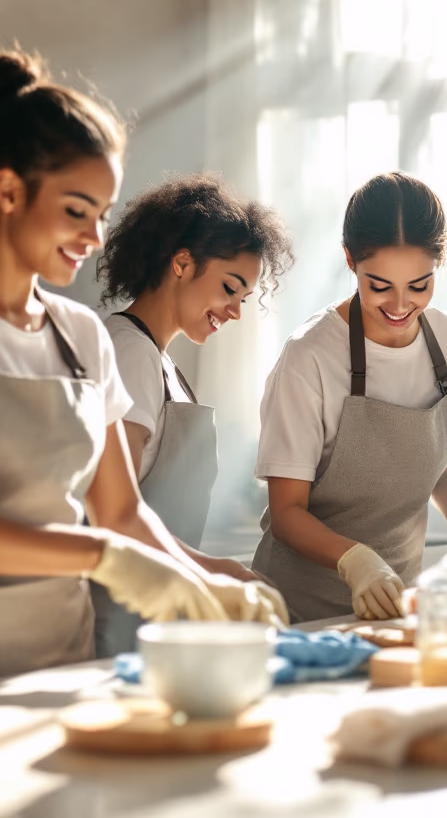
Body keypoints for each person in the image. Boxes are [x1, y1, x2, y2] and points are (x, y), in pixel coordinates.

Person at [0, 44, 277, 686]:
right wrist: (103, 555)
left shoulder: (82, 336)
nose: (95, 237)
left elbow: (122, 514)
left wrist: (210, 581)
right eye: (78, 210)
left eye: (102, 215)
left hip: (59, 666)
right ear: (8, 191)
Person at [253, 171, 447, 623]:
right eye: (379, 286)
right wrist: (355, 561)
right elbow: (286, 512)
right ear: (349, 259)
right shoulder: (310, 356)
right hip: (297, 615)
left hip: (395, 611)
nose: (399, 306)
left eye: (419, 285)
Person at [90, 173, 295, 656]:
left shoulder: (162, 364)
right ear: (182, 263)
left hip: (153, 612)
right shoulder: (129, 353)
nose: (235, 311)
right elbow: (114, 516)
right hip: (119, 616)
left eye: (244, 298)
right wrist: (214, 570)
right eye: (229, 288)